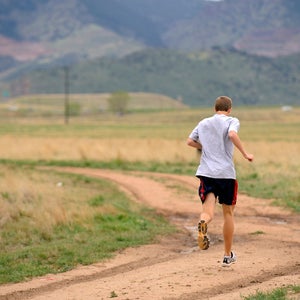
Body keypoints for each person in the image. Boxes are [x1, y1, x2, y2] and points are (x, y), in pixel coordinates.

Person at [186, 96, 254, 267]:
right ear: (229, 109)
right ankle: (227, 255)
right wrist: (245, 153)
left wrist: (206, 147)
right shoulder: (232, 121)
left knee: (207, 211)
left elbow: (190, 141)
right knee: (228, 213)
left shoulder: (203, 123)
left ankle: (203, 223)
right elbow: (232, 134)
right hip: (225, 174)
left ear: (214, 108)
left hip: (206, 173)